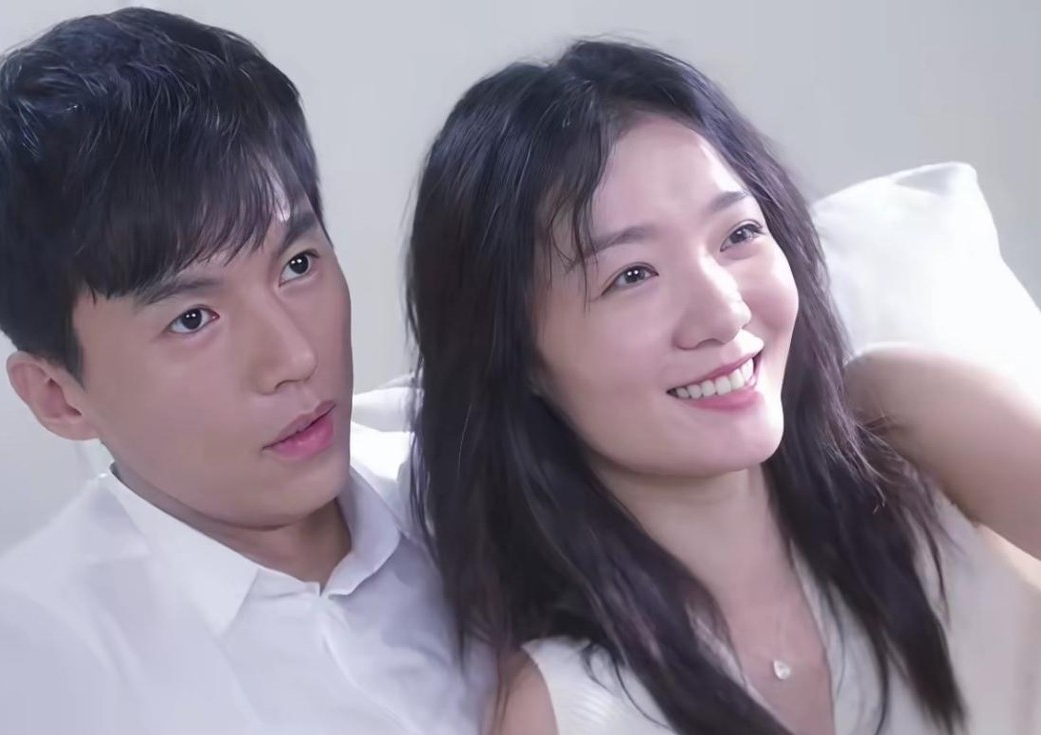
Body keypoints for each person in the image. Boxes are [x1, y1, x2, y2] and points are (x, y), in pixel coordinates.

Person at [0, 8, 486, 735]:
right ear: (59, 398)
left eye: (297, 265)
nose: (294, 358)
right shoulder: (28, 687)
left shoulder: (473, 471)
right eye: (193, 318)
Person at [405, 40, 1041, 734]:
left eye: (738, 233)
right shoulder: (569, 709)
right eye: (633, 275)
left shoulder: (907, 417)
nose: (724, 311)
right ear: (516, 355)